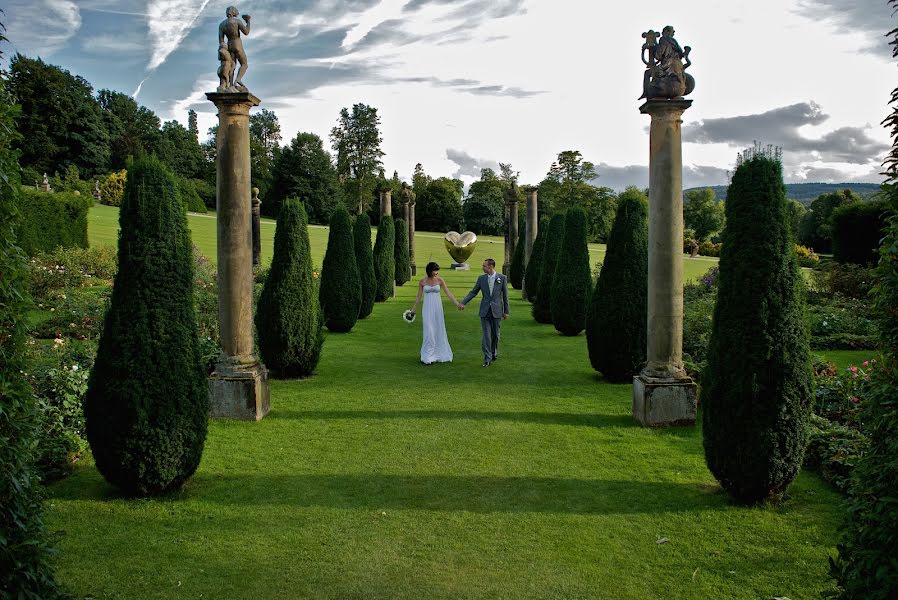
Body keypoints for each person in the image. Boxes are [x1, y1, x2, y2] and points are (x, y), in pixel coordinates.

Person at [409, 262, 462, 365]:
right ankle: (428, 356)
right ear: (430, 270)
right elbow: (418, 297)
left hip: (438, 309)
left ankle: (439, 354)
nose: (437, 272)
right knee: (429, 331)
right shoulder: (422, 282)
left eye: (437, 270)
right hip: (427, 309)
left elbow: (448, 293)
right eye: (435, 270)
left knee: (438, 329)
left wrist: (457, 304)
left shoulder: (440, 280)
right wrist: (413, 310)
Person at [460, 258, 510, 367]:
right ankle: (487, 358)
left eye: (484, 266)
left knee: (495, 335)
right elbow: (473, 292)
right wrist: (463, 303)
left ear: (491, 267)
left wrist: (506, 311)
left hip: (497, 311)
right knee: (486, 335)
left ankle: (494, 352)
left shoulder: (502, 278)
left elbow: (505, 296)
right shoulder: (481, 279)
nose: (482, 268)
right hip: (484, 311)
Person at [219, 7, 250, 90]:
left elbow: (221, 40)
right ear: (233, 12)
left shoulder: (222, 24)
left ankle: (231, 84)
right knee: (244, 64)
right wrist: (248, 22)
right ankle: (238, 79)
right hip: (237, 44)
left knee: (232, 66)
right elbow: (246, 32)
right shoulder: (237, 21)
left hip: (229, 45)